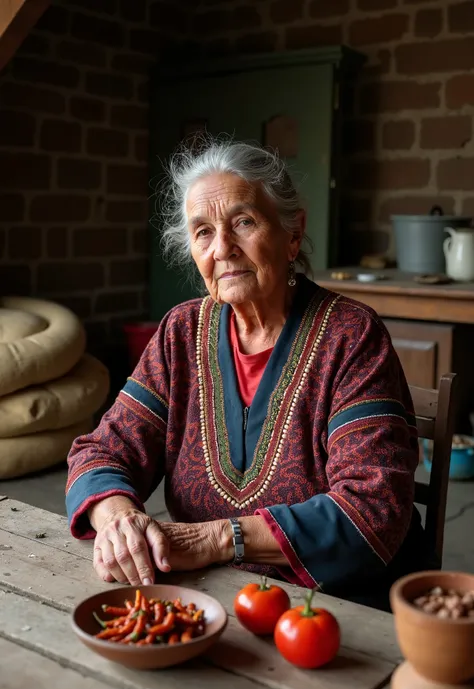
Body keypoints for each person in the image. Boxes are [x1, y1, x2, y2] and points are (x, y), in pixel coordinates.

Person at [66, 137, 432, 611]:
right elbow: (101, 451)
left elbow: (373, 507)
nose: (222, 248)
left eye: (243, 222)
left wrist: (219, 537)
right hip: (214, 595)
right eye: (202, 232)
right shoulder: (181, 331)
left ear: (292, 234)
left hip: (334, 604)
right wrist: (117, 518)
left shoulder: (351, 334)